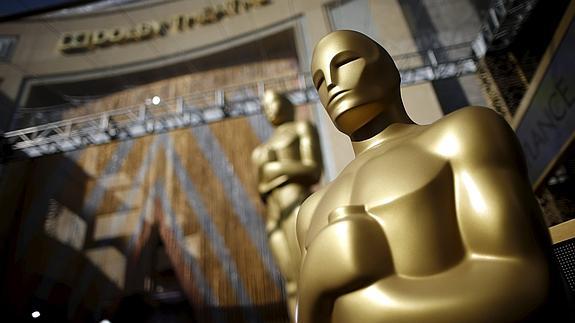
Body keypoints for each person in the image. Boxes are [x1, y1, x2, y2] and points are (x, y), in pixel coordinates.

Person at [296, 30, 565, 323]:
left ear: (388, 68)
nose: (332, 84)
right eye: (320, 81)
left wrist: (373, 301)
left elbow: (523, 279)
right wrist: (313, 285)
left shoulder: (460, 135)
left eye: (345, 62)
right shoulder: (310, 212)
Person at [251, 90, 322, 321]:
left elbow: (313, 169)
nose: (269, 109)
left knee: (308, 277)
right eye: (265, 107)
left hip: (296, 206)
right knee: (291, 285)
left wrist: (277, 169)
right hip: (273, 216)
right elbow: (260, 188)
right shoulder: (261, 148)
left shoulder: (301, 128)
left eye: (273, 103)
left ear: (285, 103)